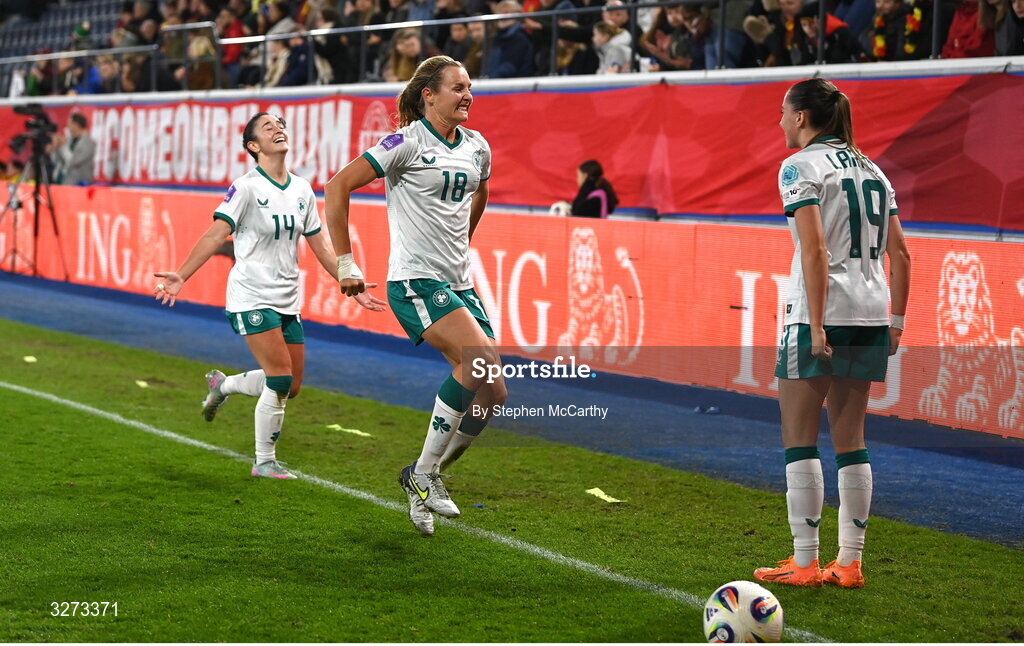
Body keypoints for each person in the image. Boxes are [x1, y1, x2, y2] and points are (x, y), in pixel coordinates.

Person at [324, 56, 507, 537]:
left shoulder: (476, 147)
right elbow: (337, 186)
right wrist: (346, 263)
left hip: (458, 281)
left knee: (493, 392)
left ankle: (424, 476)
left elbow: (481, 189)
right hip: (415, 280)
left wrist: (465, 237)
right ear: (429, 94)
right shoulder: (404, 144)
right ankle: (425, 475)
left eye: (470, 88)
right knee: (475, 362)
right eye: (457, 88)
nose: (468, 95)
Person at [153, 113, 386, 480]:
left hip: (287, 297)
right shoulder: (245, 188)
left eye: (280, 124)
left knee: (291, 386)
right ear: (253, 146)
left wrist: (348, 279)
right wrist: (181, 274)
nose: (278, 128)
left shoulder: (302, 190)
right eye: (267, 128)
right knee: (278, 379)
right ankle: (264, 461)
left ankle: (223, 385)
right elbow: (217, 235)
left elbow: (320, 245)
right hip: (250, 295)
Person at [753, 78, 911, 589]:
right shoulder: (873, 169)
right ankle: (850, 563)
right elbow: (902, 255)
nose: (779, 121)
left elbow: (815, 250)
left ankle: (803, 564)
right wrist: (897, 321)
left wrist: (817, 323)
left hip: (820, 311)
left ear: (802, 117)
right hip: (871, 309)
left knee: (799, 438)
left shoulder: (800, 166)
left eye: (783, 112)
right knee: (852, 439)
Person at [51, 113, 96, 186]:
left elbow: (72, 162)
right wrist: (56, 147)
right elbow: (56, 161)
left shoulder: (88, 143)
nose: (68, 126)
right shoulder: (70, 140)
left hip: (78, 185)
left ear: (76, 125)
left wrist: (63, 145)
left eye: (69, 123)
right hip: (63, 182)